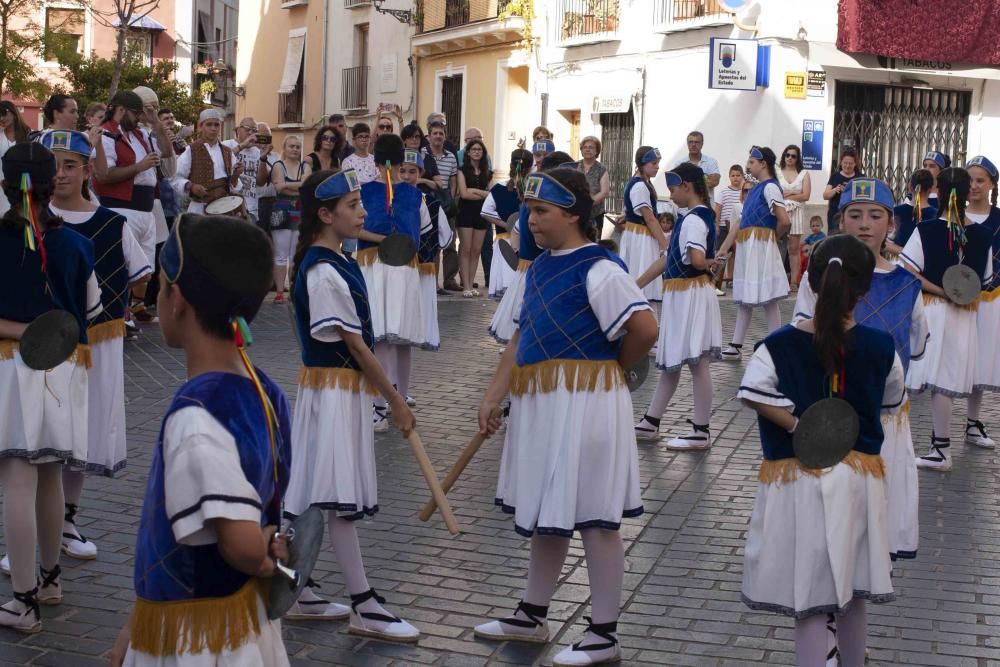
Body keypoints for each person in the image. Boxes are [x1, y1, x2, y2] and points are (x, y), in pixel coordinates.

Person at [474, 168, 658, 666]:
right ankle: (532, 614)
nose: (531, 221)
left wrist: (610, 370)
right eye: (529, 212)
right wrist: (495, 392)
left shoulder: (600, 267)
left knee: (596, 518)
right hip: (543, 404)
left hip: (589, 404)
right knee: (547, 513)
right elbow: (518, 337)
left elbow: (644, 326)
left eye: (541, 212)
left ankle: (604, 633)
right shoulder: (537, 269)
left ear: (573, 213)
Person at [108, 215, 292, 666]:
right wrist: (131, 631)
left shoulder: (197, 414)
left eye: (163, 283)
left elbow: (242, 545)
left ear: (179, 300)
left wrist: (269, 554)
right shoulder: (264, 389)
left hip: (199, 641)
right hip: (239, 621)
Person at [738, 234, 903, 667]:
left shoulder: (777, 345)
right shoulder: (883, 347)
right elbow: (891, 401)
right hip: (858, 480)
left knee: (808, 599)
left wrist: (797, 424)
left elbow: (752, 390)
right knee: (853, 593)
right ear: (864, 291)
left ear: (810, 284)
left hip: (799, 478)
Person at [278, 168, 420, 638]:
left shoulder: (337, 261)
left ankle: (297, 586)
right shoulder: (322, 271)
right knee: (334, 496)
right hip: (333, 391)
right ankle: (363, 604)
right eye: (353, 205)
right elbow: (358, 347)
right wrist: (395, 400)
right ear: (325, 214)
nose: (363, 212)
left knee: (313, 489)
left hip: (338, 390)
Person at [793, 178, 927, 565]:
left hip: (885, 417)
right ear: (840, 222)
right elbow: (803, 336)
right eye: (855, 215)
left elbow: (914, 346)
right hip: (829, 408)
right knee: (829, 519)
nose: (865, 224)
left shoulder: (906, 284)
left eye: (875, 215)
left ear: (891, 224)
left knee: (875, 517)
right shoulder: (816, 278)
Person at [0, 142, 102, 632]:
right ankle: (50, 579)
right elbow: (93, 312)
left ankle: (23, 599)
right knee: (49, 475)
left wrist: (20, 329)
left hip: (12, 368)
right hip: (64, 369)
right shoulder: (79, 244)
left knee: (18, 479)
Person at [43, 130, 152, 563]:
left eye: (70, 165)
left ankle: (67, 522)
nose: (60, 174)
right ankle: (36, 530)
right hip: (44, 343)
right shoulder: (31, 220)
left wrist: (126, 306)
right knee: (43, 432)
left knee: (80, 434)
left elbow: (140, 272)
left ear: (89, 170)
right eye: (53, 164)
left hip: (96, 343)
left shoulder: (112, 224)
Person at [901, 167, 993, 471]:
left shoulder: (926, 229)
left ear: (937, 192)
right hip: (965, 315)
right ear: (967, 193)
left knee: (931, 377)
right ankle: (939, 447)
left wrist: (939, 288)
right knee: (946, 380)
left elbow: (908, 270)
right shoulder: (982, 235)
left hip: (933, 309)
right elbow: (986, 280)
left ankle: (937, 449)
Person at [634, 163, 723, 450]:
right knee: (674, 363)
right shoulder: (690, 218)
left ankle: (701, 430)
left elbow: (696, 259)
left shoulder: (695, 220)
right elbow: (668, 257)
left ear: (687, 186)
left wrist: (710, 263)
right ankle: (651, 421)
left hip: (690, 295)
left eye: (673, 189)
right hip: (685, 294)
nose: (670, 194)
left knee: (697, 363)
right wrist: (636, 284)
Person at [358, 134, 432, 427]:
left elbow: (423, 232)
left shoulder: (409, 194)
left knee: (394, 336)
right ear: (401, 161)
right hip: (389, 265)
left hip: (389, 266)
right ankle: (389, 398)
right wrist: (387, 238)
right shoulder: (410, 194)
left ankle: (389, 399)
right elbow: (424, 231)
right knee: (391, 336)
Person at [488, 151, 574, 345]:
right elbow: (541, 240)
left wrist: (519, 254)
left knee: (522, 332)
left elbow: (517, 230)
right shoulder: (545, 205)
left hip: (525, 269)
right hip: (539, 273)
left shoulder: (532, 201)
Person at [717, 147, 791, 360]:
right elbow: (740, 222)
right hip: (749, 246)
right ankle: (736, 345)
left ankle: (774, 343)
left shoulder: (770, 188)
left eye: (751, 162)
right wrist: (723, 248)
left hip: (759, 247)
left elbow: (784, 220)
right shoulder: (755, 190)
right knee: (745, 297)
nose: (748, 166)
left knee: (768, 297)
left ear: (763, 164)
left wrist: (769, 239)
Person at [961, 155, 1000, 449]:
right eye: (969, 180)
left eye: (980, 180)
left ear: (991, 185)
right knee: (953, 358)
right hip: (954, 299)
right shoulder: (952, 215)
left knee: (981, 360)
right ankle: (940, 432)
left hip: (991, 299)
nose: (973, 186)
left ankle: (973, 423)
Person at [399, 149, 451, 351]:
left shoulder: (432, 203)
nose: (406, 176)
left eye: (412, 171)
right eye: (402, 170)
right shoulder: (391, 199)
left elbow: (445, 238)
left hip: (423, 265)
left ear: (420, 174)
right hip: (399, 267)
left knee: (422, 310)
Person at [482, 149, 532, 301]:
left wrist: (507, 224)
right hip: (526, 243)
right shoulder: (533, 188)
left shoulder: (499, 188)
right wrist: (510, 224)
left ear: (511, 165)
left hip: (504, 241)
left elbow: (485, 211)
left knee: (508, 294)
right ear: (530, 168)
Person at [620, 146, 667, 304]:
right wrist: (664, 245)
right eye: (653, 163)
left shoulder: (640, 183)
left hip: (637, 234)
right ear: (642, 164)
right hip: (641, 237)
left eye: (658, 163)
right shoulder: (640, 186)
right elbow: (650, 219)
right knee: (642, 274)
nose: (657, 166)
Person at [172, 109, 243, 214]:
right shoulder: (191, 150)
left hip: (224, 208)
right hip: (199, 208)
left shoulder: (227, 152)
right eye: (209, 125)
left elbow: (234, 186)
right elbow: (175, 177)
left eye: (216, 125)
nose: (213, 128)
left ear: (220, 127)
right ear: (201, 126)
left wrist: (236, 175)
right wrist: (191, 186)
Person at [270, 135, 311, 303]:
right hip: (281, 213)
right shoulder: (278, 165)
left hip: (300, 212)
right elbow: (278, 187)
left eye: (298, 147)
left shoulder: (305, 166)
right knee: (280, 254)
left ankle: (293, 289)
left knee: (295, 255)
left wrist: (287, 185)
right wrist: (297, 186)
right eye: (292, 146)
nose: (295, 149)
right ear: (284, 148)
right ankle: (280, 291)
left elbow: (306, 186)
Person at [423, 121, 460, 291]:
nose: (438, 136)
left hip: (445, 204)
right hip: (429, 203)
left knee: (450, 243)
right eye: (435, 133)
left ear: (445, 136)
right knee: (432, 245)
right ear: (429, 136)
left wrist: (450, 200)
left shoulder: (451, 157)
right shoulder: (422, 154)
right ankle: (434, 283)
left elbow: (453, 181)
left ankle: (449, 280)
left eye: (441, 133)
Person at [456, 138, 492, 297]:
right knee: (466, 249)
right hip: (465, 213)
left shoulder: (488, 172)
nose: (477, 152)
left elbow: (490, 195)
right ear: (468, 152)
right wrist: (482, 193)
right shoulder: (461, 170)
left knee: (476, 250)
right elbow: (463, 194)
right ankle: (466, 286)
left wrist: (475, 191)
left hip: (482, 214)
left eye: (480, 149)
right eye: (474, 149)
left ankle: (471, 284)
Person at [778, 144, 812, 289]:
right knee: (776, 246)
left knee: (793, 248)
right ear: (784, 156)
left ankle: (793, 281)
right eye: (787, 155)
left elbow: (806, 195)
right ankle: (777, 280)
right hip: (779, 211)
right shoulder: (777, 172)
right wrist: (789, 194)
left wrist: (790, 194)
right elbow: (775, 192)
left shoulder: (804, 173)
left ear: (797, 158)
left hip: (796, 211)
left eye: (793, 156)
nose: (790, 158)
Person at [222, 117, 265, 226]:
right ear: (238, 130)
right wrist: (242, 146)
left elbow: (260, 182)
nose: (251, 132)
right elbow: (220, 161)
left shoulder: (257, 151)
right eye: (247, 129)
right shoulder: (226, 145)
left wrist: (263, 159)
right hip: (228, 206)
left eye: (254, 130)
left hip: (251, 208)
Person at [888, 169, 936, 256]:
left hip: (899, 264)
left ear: (910, 186)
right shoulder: (936, 215)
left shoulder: (896, 212)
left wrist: (905, 253)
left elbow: (886, 243)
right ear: (931, 189)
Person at [714, 165, 744, 294]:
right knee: (722, 253)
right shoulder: (723, 192)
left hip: (738, 226)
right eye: (733, 175)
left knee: (734, 254)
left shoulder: (744, 192)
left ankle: (731, 278)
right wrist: (717, 225)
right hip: (723, 226)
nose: (735, 178)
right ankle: (716, 280)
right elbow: (718, 209)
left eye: (738, 175)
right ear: (729, 176)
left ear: (742, 176)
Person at [822, 147, 861, 234]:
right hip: (835, 215)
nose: (847, 166)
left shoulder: (860, 178)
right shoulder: (835, 176)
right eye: (845, 163)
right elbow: (825, 195)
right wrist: (835, 190)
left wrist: (850, 189)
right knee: (834, 239)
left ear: (855, 164)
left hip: (854, 215)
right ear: (841, 163)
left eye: (850, 163)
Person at [678, 131, 721, 207]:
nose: (693, 145)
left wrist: (688, 184)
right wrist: (705, 179)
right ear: (687, 144)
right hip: (685, 210)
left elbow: (715, 181)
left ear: (702, 144)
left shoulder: (711, 162)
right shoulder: (679, 164)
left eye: (697, 142)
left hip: (706, 208)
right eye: (690, 142)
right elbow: (677, 186)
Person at [577, 136, 610, 232]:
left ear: (597, 151)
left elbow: (604, 192)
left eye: (591, 147)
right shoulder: (575, 166)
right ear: (581, 150)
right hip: (577, 212)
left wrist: (588, 203)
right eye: (585, 147)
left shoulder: (601, 169)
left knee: (593, 241)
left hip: (595, 214)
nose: (587, 149)